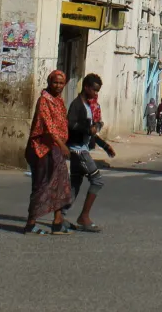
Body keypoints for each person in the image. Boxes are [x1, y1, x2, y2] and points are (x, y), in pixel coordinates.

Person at [23, 70, 74, 236]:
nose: (58, 86)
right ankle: (30, 224)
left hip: (55, 149)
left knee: (60, 182)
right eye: (55, 82)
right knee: (41, 185)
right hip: (41, 148)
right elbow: (49, 127)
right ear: (49, 82)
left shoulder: (58, 100)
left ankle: (58, 221)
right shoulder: (44, 100)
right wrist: (62, 145)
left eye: (61, 83)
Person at [66, 74, 115, 233]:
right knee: (97, 180)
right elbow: (71, 124)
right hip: (78, 150)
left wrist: (105, 146)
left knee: (75, 184)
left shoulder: (87, 105)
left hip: (83, 148)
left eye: (98, 91)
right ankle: (84, 217)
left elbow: (91, 132)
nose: (96, 93)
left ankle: (59, 216)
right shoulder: (77, 105)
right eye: (94, 90)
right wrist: (88, 128)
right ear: (86, 87)